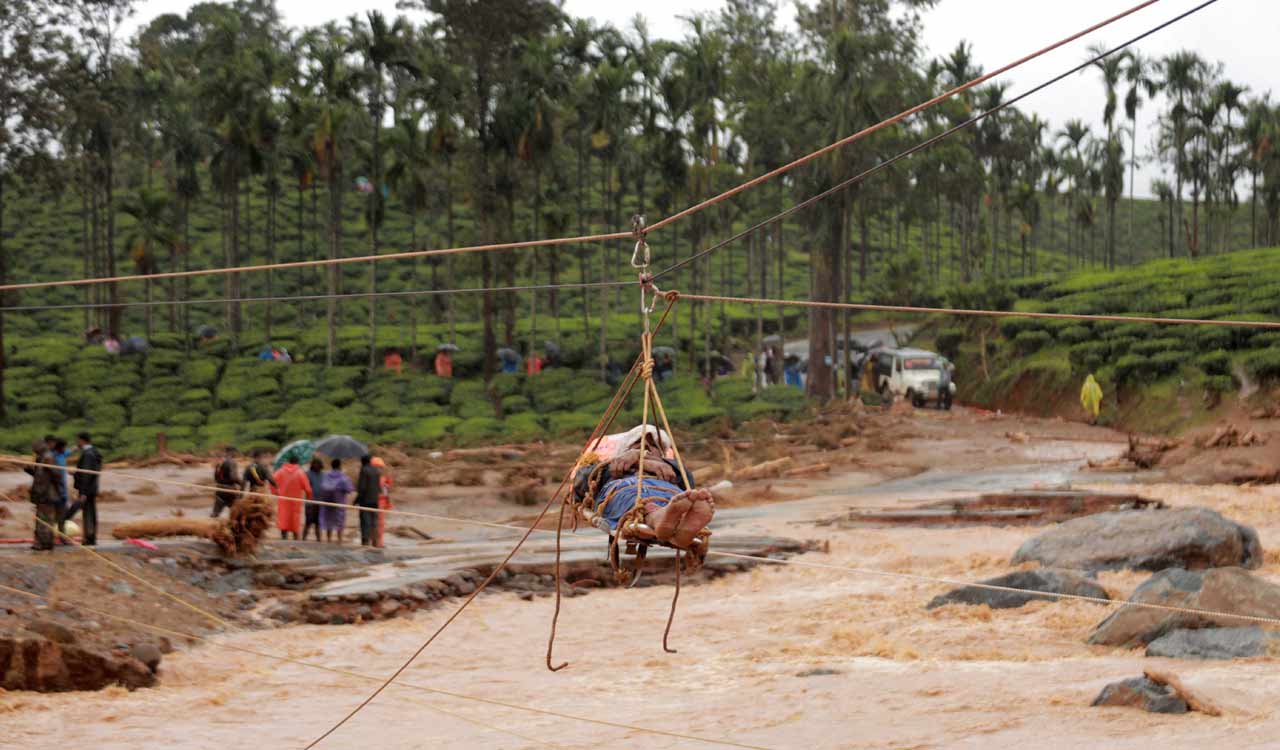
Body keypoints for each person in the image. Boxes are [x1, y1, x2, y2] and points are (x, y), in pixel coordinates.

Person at [572, 427, 714, 550]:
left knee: (677, 499)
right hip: (625, 489)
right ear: (624, 450)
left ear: (662, 453)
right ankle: (662, 520)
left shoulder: (673, 467)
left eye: (653, 445)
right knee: (634, 500)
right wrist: (634, 462)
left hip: (668, 493)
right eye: (637, 442)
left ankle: (675, 523)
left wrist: (651, 461)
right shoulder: (608, 466)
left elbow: (687, 482)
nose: (644, 445)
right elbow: (580, 483)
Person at [67, 432, 102, 546]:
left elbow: (86, 474)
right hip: (92, 488)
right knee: (91, 512)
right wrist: (76, 473)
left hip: (87, 489)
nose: (77, 443)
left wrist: (83, 492)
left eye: (78, 440)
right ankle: (90, 537)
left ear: (82, 440)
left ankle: (89, 538)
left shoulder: (87, 454)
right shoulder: (95, 452)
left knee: (88, 513)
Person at [25, 440, 61, 551]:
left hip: (47, 494)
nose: (33, 451)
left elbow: (58, 475)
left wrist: (50, 467)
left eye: (34, 448)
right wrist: (29, 469)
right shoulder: (40, 458)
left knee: (46, 520)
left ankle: (46, 543)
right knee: (40, 519)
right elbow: (38, 476)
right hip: (40, 494)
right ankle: (41, 542)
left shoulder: (48, 457)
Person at [273, 455, 312, 541]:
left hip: (283, 501)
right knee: (295, 521)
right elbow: (308, 489)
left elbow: (272, 481)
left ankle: (284, 539)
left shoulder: (280, 472)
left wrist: (275, 493)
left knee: (283, 519)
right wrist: (309, 498)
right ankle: (296, 541)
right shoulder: (300, 473)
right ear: (297, 462)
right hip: (296, 503)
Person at [317, 459, 354, 543]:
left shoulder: (325, 476)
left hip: (327, 503)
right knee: (339, 522)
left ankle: (328, 539)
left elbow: (321, 487)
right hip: (339, 503)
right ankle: (339, 540)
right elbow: (349, 489)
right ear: (340, 466)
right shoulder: (343, 477)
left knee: (328, 521)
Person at [355, 454, 381, 547]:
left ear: (363, 462)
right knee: (374, 521)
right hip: (375, 500)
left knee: (365, 521)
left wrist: (357, 499)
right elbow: (379, 487)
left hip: (365, 500)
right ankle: (375, 542)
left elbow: (362, 487)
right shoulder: (377, 470)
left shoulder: (364, 470)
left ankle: (365, 543)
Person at [371, 457, 393, 548]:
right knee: (379, 524)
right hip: (379, 503)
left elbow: (387, 491)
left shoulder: (380, 478)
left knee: (375, 523)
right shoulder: (381, 479)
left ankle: (374, 542)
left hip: (377, 503)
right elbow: (385, 492)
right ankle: (378, 543)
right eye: (379, 467)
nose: (380, 469)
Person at [212, 447, 240, 518]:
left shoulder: (220, 462)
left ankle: (209, 526)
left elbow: (216, 478)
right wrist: (242, 483)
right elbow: (233, 477)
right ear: (232, 452)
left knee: (215, 514)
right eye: (235, 453)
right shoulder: (232, 462)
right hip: (230, 491)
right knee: (237, 513)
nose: (236, 454)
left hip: (220, 490)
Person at [303, 457, 325, 542]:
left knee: (318, 523)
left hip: (320, 502)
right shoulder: (308, 474)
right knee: (308, 522)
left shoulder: (323, 475)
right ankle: (303, 539)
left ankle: (319, 540)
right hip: (310, 502)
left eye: (318, 465)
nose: (317, 466)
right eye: (315, 464)